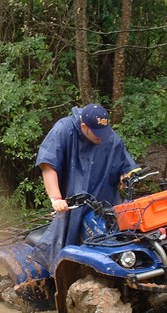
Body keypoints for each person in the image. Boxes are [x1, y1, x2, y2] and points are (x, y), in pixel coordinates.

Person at [31, 103, 139, 273]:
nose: (102, 138)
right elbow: (48, 165)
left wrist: (125, 177)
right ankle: (57, 277)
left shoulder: (106, 134)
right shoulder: (63, 130)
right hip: (73, 202)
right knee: (65, 244)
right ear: (84, 127)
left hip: (104, 204)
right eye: (97, 135)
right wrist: (56, 199)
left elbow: (124, 163)